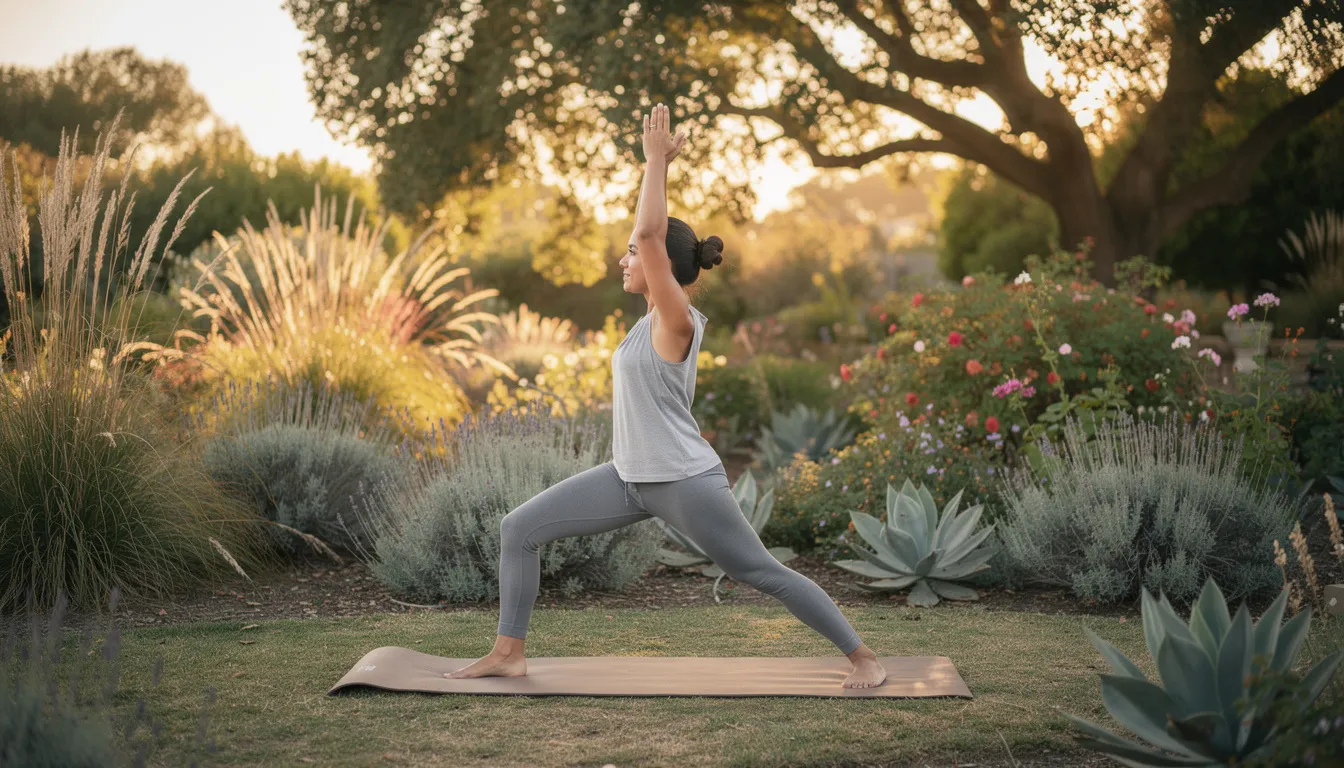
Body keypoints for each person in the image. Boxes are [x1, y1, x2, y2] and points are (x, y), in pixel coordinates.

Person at [446, 103, 887, 689]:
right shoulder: (646, 320)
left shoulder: (676, 318)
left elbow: (651, 232)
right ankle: (508, 651)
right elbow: (648, 236)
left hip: (682, 480)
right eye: (628, 251)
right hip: (629, 476)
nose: (624, 258)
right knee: (518, 529)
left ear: (662, 268)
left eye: (633, 254)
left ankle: (863, 657)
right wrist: (651, 173)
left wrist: (654, 163)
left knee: (759, 571)